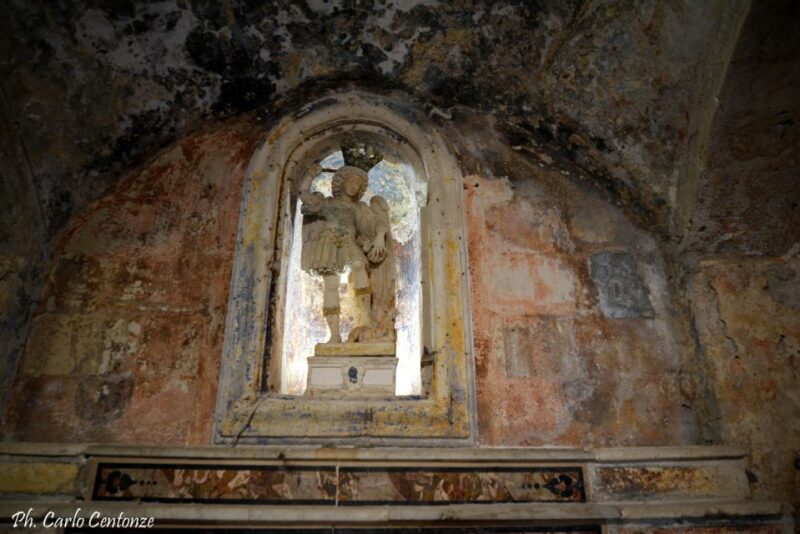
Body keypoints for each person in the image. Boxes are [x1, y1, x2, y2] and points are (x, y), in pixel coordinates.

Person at [299, 165, 394, 344]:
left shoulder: (359, 208)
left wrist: (380, 237)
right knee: (331, 284)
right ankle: (334, 334)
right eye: (351, 181)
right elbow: (305, 197)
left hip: (349, 243)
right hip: (329, 243)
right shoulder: (326, 202)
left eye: (358, 184)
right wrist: (310, 174)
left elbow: (377, 223)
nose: (354, 187)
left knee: (359, 265)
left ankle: (366, 319)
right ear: (341, 182)